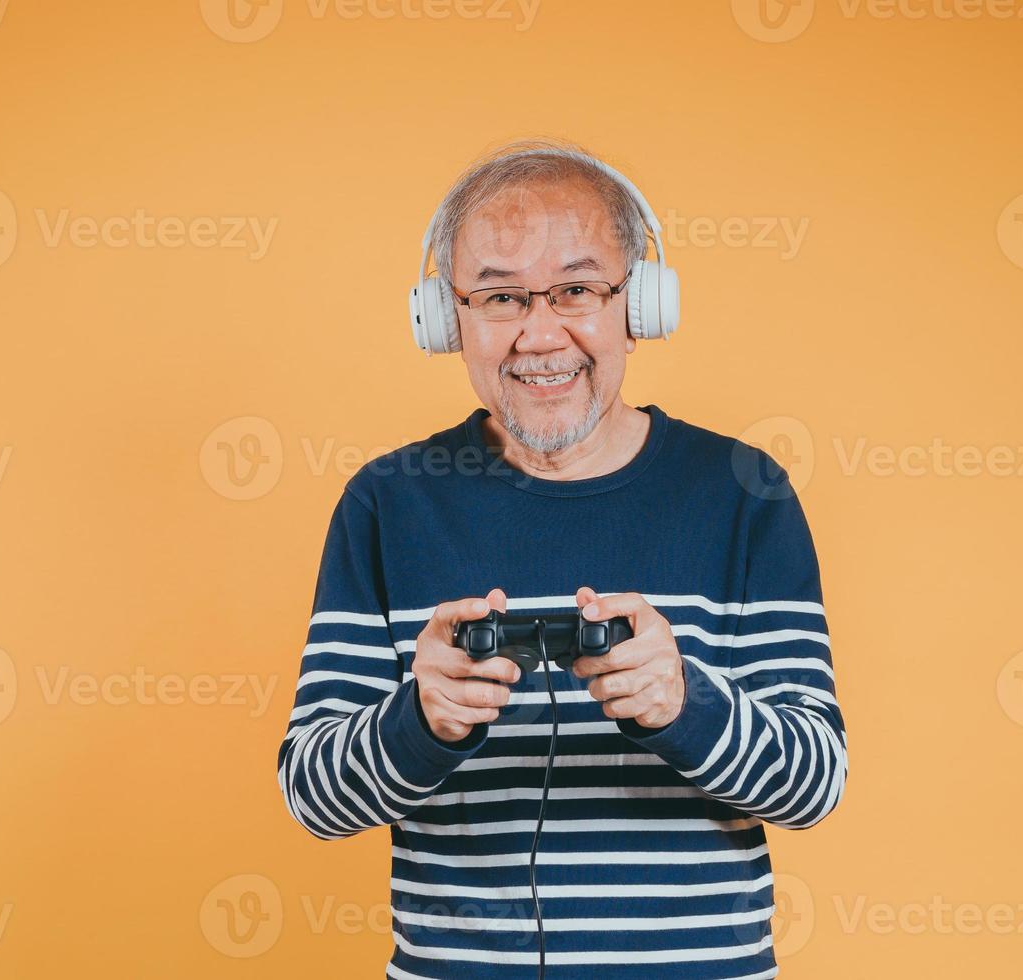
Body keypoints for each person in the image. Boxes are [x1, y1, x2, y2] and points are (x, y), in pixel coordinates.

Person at [276, 139, 847, 979]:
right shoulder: (387, 502)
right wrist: (421, 719)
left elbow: (814, 787)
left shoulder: (743, 492)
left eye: (577, 289)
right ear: (446, 319)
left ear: (640, 305)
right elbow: (315, 802)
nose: (541, 334)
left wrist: (684, 704)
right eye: (501, 296)